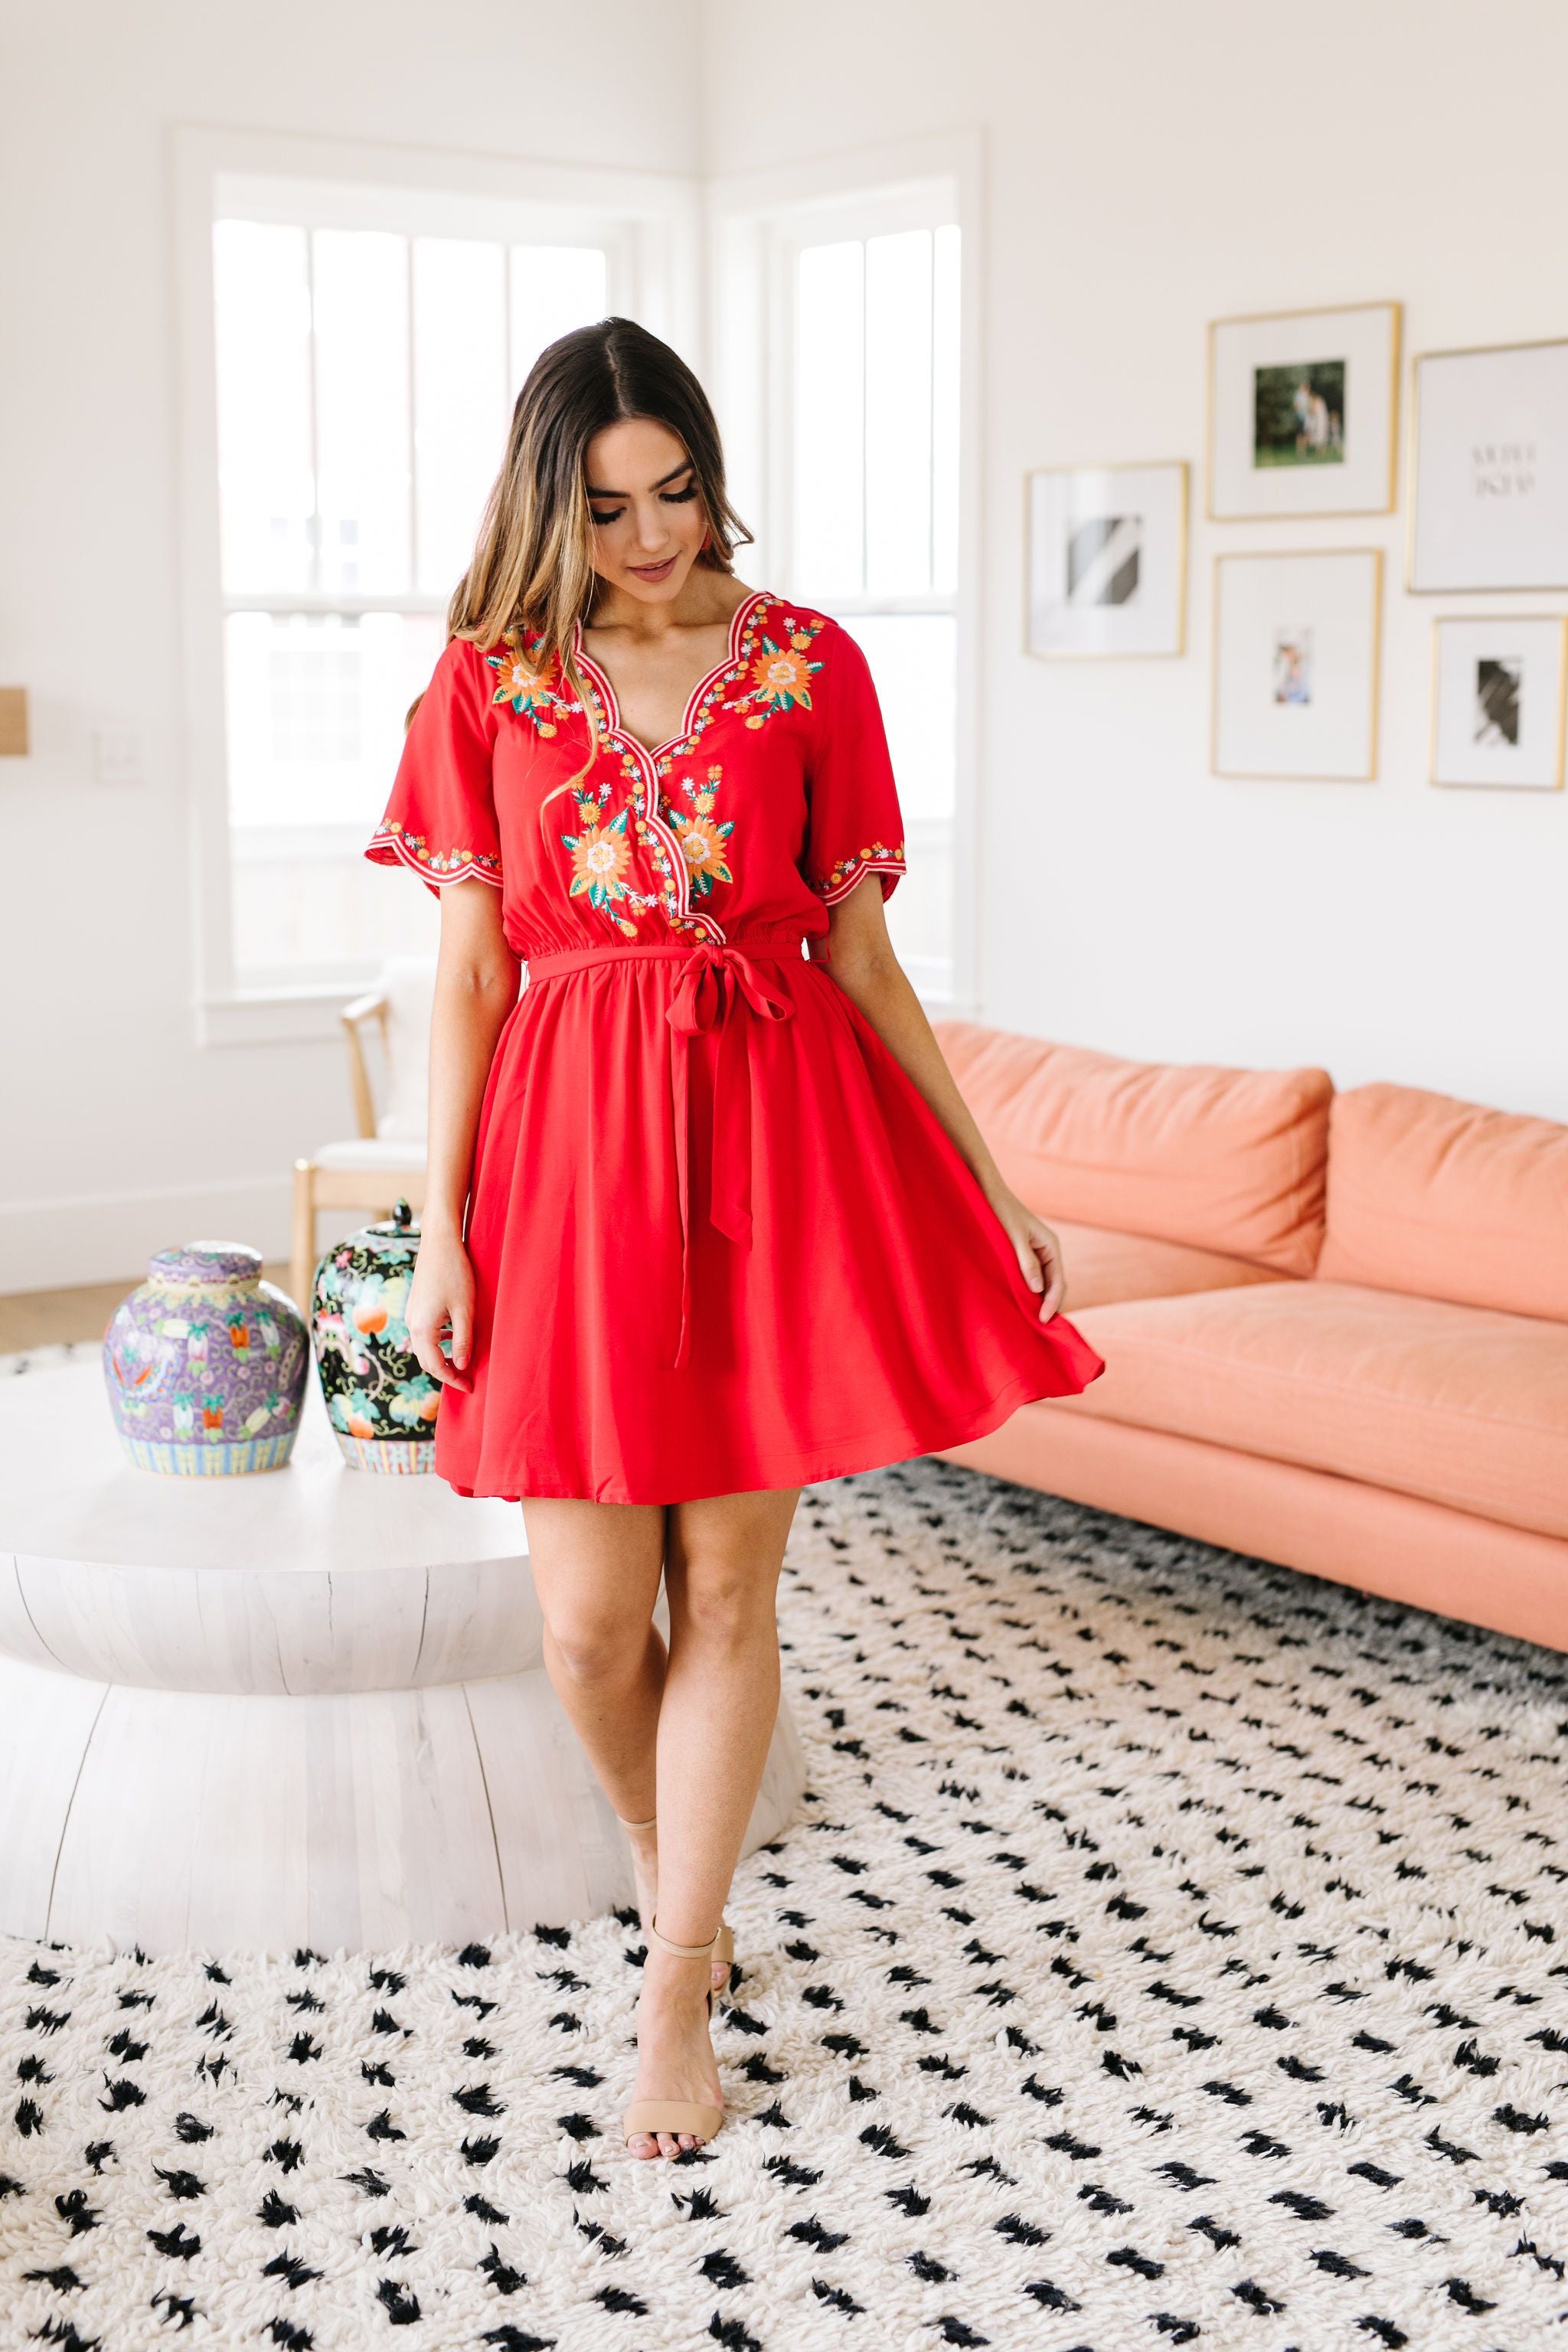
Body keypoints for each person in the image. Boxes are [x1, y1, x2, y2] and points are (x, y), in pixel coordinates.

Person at [365, 318, 1105, 2163]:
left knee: (731, 1593)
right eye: (607, 506)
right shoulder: (486, 680)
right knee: (586, 1626)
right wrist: (436, 1225)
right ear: (551, 500)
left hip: (776, 1136)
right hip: (565, 1149)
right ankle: (655, 1853)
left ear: (710, 474)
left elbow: (855, 949)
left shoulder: (805, 664)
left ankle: (675, 1983)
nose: (649, 538)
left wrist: (989, 1175)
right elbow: (467, 969)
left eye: (676, 491)